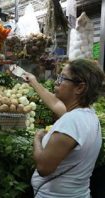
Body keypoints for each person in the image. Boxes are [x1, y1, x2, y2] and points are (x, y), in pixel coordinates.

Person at [22, 59, 105, 198]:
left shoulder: (71, 121)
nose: (56, 82)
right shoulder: (89, 115)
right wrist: (34, 82)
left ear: (79, 87)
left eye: (62, 78)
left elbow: (43, 168)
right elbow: (55, 103)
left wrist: (37, 138)